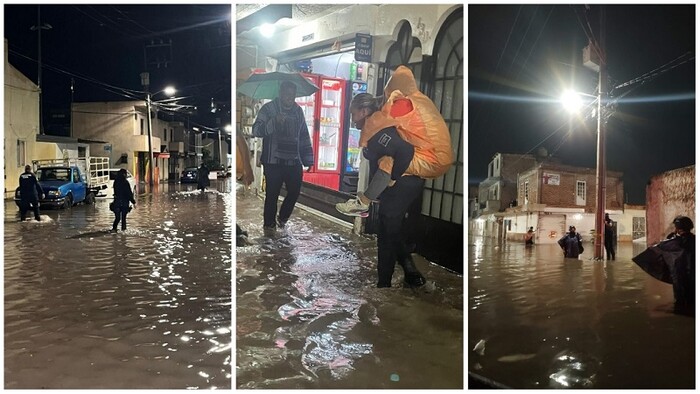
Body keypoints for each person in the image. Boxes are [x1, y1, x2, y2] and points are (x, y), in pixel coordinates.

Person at [347, 93, 426, 288]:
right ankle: (409, 273)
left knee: (386, 235)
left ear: (364, 112)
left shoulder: (380, 131)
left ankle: (385, 285)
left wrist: (393, 178)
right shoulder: (374, 128)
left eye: (353, 114)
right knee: (389, 228)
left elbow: (405, 151)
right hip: (404, 185)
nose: (352, 118)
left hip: (402, 186)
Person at [251, 80, 314, 235]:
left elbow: (303, 135)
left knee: (294, 191)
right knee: (272, 194)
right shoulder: (268, 109)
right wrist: (273, 122)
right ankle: (269, 228)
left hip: (293, 161)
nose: (289, 98)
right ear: (280, 93)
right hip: (273, 162)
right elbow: (256, 130)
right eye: (286, 94)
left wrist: (308, 159)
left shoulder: (298, 111)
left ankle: (283, 218)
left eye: (292, 95)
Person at [666, 216, 695, 312]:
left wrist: (672, 236)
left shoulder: (674, 241)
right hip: (693, 275)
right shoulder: (694, 240)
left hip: (679, 275)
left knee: (680, 300)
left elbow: (664, 249)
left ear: (677, 228)